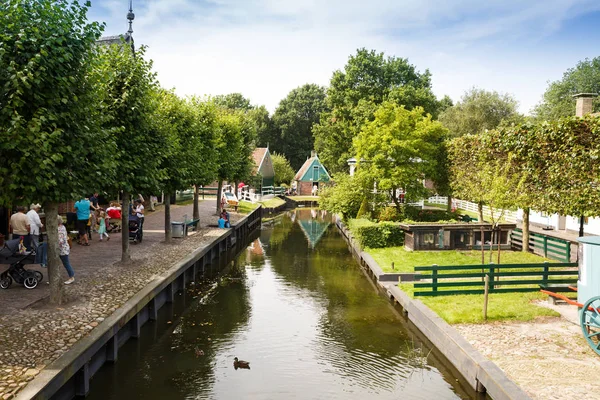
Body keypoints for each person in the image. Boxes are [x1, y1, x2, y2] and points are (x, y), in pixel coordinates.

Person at [57, 216, 75, 284]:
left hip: (62, 249)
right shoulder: (62, 227)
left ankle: (71, 276)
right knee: (57, 263)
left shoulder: (60, 229)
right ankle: (56, 277)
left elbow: (60, 240)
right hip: (62, 248)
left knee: (66, 263)